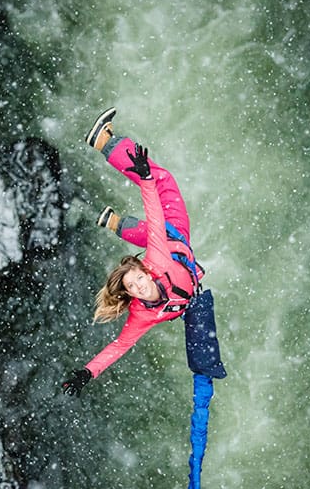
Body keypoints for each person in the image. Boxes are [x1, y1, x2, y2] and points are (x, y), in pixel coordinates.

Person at [62, 107, 225, 397]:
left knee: (161, 192)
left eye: (137, 279)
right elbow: (119, 346)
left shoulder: (157, 261)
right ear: (131, 293)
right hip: (174, 244)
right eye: (132, 287)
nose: (139, 286)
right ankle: (113, 210)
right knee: (159, 210)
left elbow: (155, 215)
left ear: (146, 272)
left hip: (172, 240)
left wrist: (147, 178)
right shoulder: (141, 315)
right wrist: (88, 372)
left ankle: (107, 148)